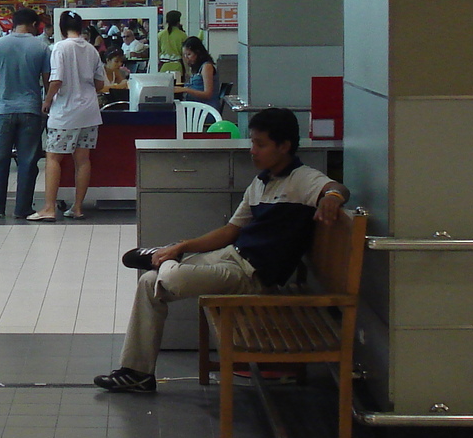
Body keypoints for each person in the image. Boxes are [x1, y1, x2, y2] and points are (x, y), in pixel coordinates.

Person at [95, 108, 349, 392]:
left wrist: (334, 197)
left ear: (284, 146)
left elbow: (334, 187)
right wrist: (184, 245)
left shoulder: (302, 179)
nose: (253, 151)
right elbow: (230, 231)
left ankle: (162, 258)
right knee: (148, 282)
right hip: (232, 258)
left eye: (260, 144)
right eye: (252, 142)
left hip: (253, 278)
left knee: (173, 280)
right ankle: (137, 372)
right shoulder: (260, 182)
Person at [31, 11, 106, 221]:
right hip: (90, 113)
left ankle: (48, 208)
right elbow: (100, 84)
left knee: (53, 158)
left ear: (61, 28)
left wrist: (46, 102)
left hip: (65, 113)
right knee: (82, 160)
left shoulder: (59, 48)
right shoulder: (91, 49)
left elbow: (56, 80)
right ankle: (78, 207)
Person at [0, 8, 52, 220]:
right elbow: (48, 82)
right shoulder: (42, 47)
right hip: (31, 110)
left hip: (4, 110)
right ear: (33, 24)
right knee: (28, 161)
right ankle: (22, 209)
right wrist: (47, 105)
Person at [180, 36, 221, 111]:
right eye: (184, 55)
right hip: (198, 107)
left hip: (207, 109)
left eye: (189, 54)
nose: (186, 58)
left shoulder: (207, 67)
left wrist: (185, 90)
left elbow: (208, 94)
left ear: (198, 53)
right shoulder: (197, 67)